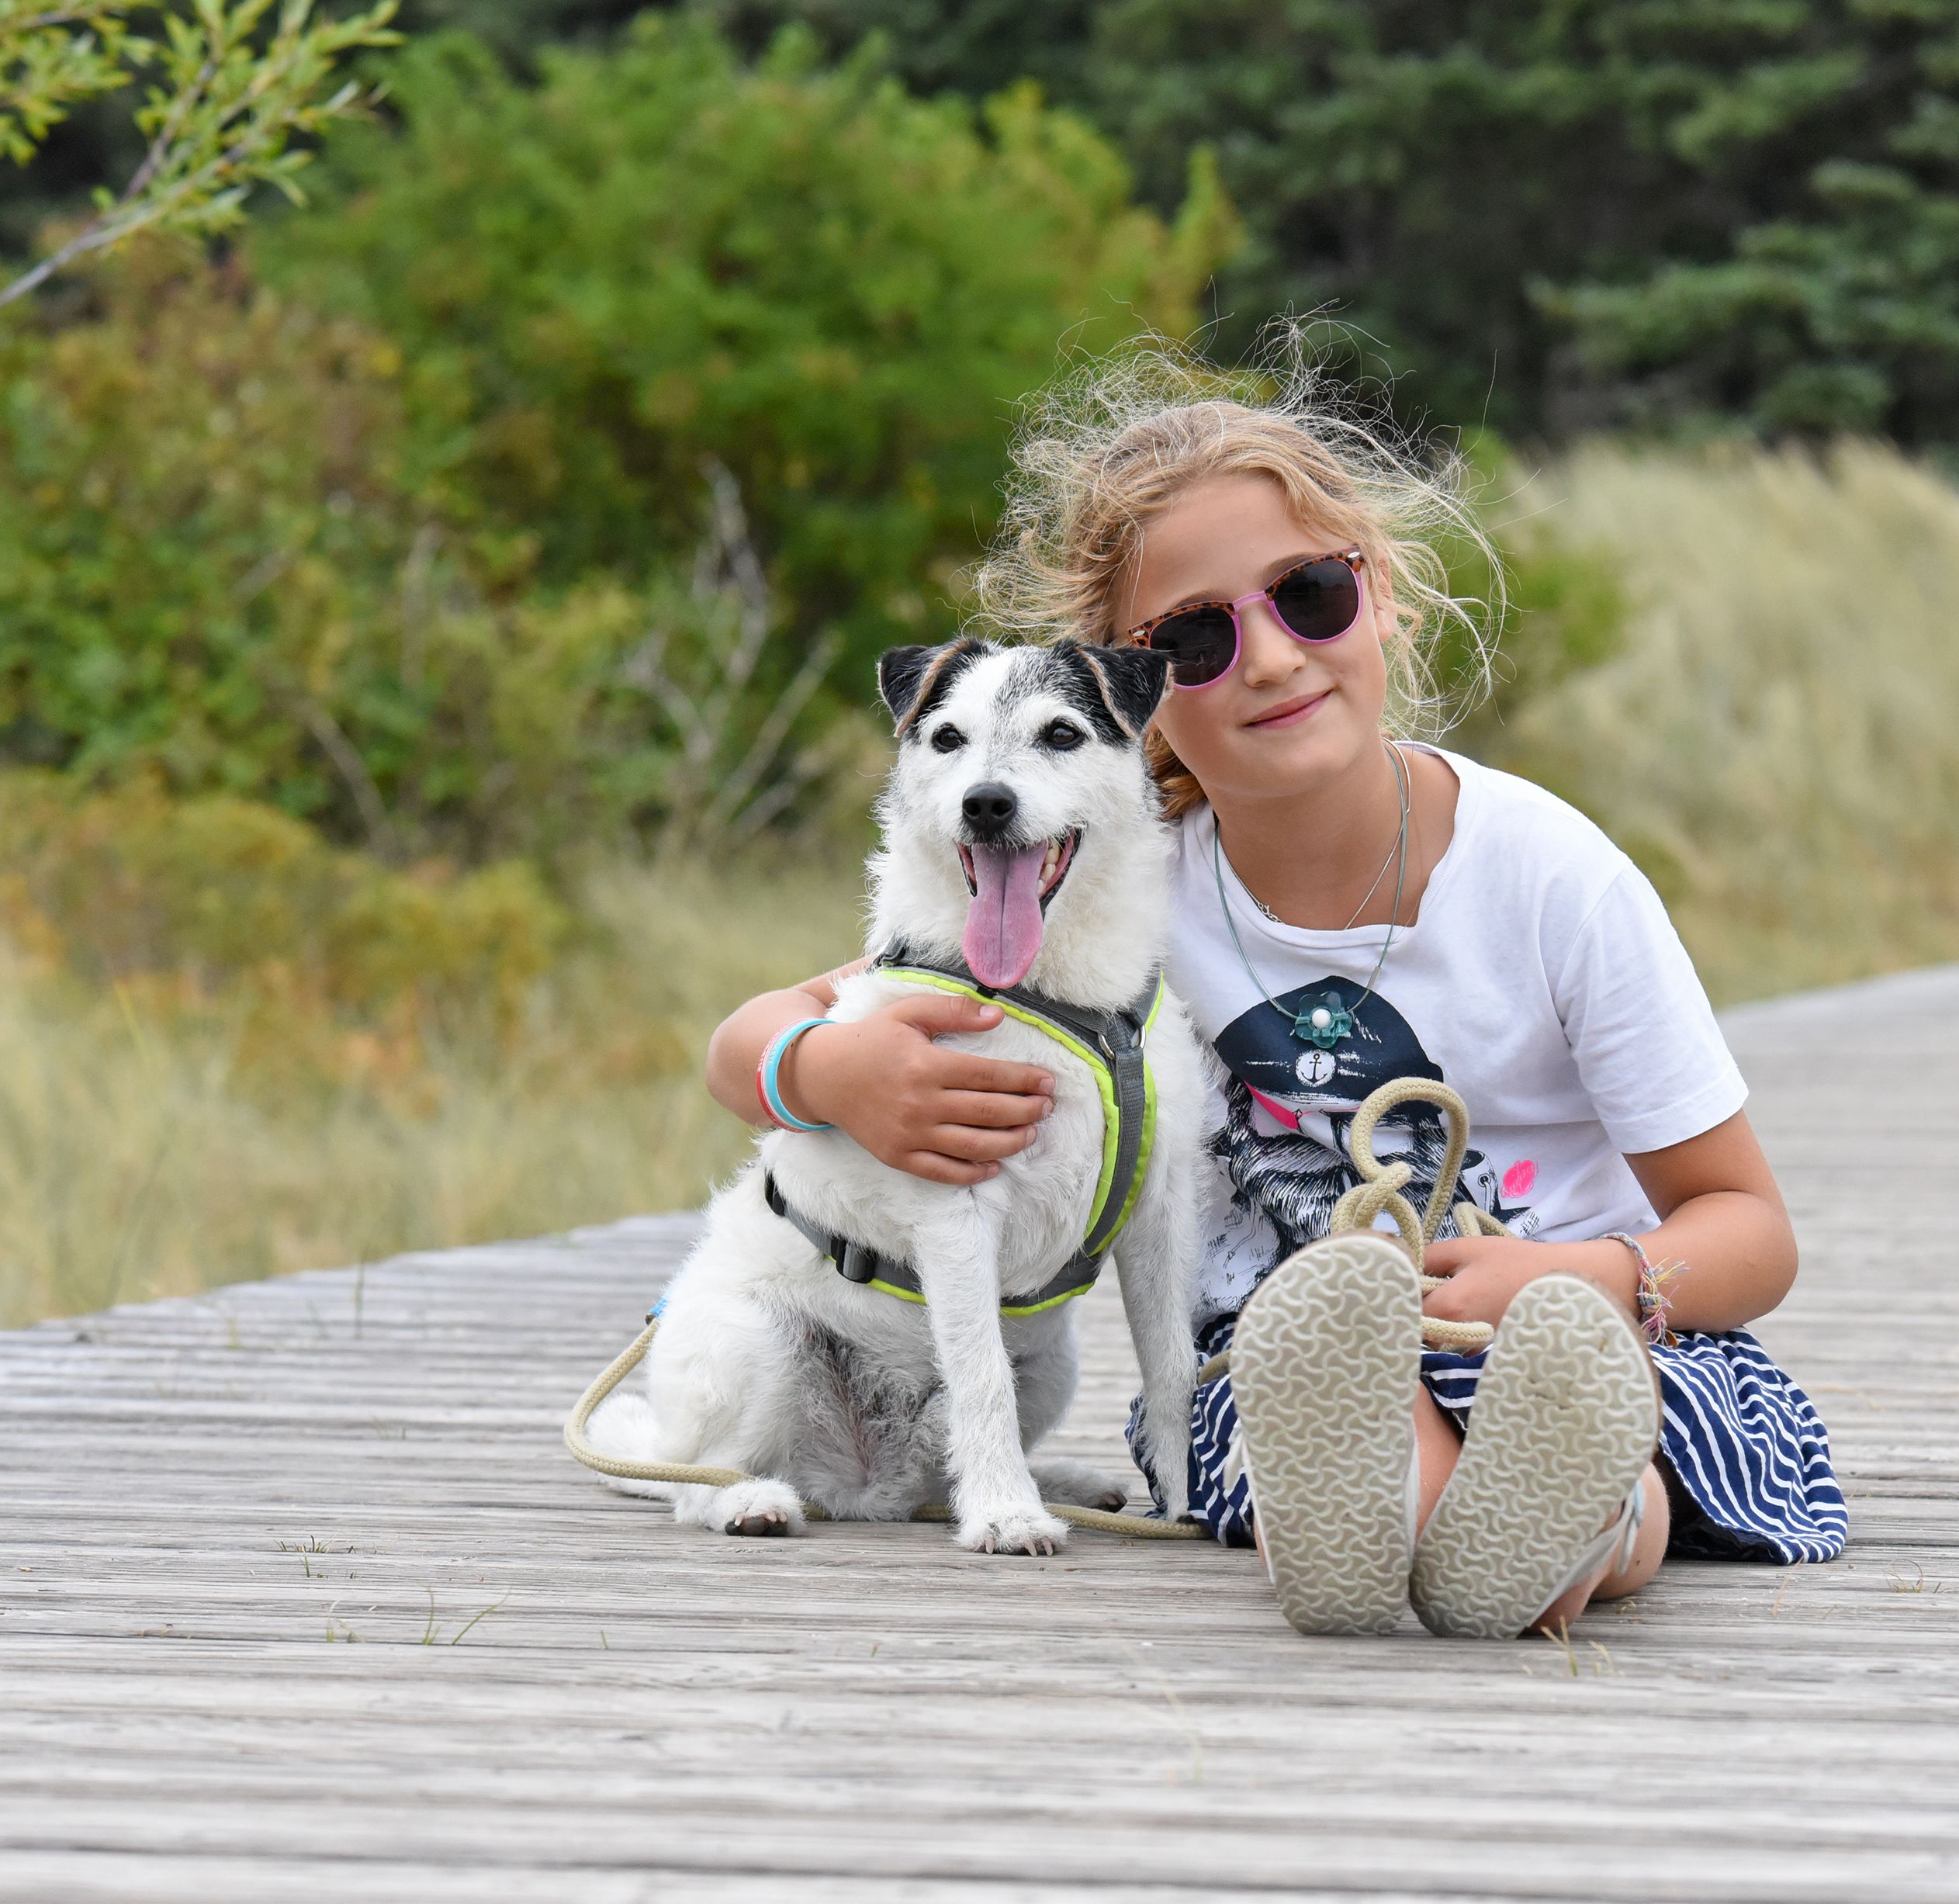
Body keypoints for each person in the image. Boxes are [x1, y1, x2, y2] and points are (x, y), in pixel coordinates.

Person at [704, 348, 1848, 1638]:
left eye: (1307, 593)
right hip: (1281, 1363)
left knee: (1593, 1419)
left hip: (1586, 1322)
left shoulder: (1552, 877)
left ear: (1386, 596)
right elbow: (748, 1037)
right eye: (1192, 637)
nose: (1265, 657)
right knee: (1316, 1402)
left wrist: (1584, 1276)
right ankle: (1424, 1536)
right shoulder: (1115, 896)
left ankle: (1574, 1519)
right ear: (1126, 700)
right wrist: (826, 1069)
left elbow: (1749, 1227)